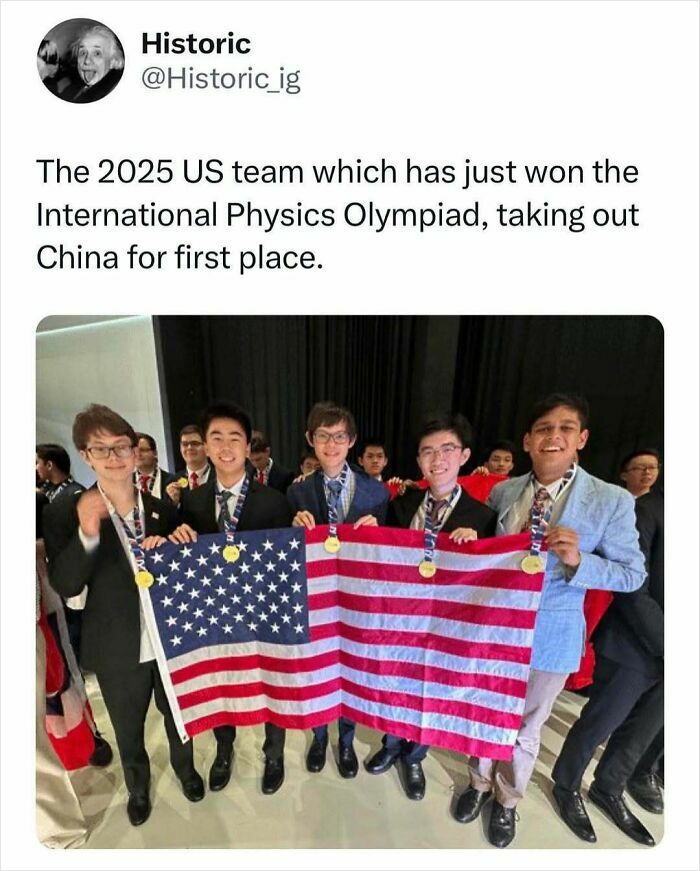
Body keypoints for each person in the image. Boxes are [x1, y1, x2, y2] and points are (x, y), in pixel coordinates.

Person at [452, 392, 645, 848]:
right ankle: (478, 784)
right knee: (485, 713)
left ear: (581, 439)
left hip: (552, 633)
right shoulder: (504, 490)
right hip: (494, 629)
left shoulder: (611, 500)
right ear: (527, 440)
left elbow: (633, 574)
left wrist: (581, 561)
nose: (553, 437)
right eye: (543, 429)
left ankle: (507, 799)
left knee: (526, 726)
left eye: (564, 429)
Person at [43, 404, 204, 827]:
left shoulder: (160, 508)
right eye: (102, 449)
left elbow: (183, 573)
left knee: (177, 717)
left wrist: (181, 543)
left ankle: (186, 771)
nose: (114, 457)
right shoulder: (68, 510)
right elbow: (66, 585)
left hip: (169, 637)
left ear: (136, 453)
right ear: (86, 454)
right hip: (116, 643)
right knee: (128, 727)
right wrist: (88, 534)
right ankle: (137, 787)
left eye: (122, 447)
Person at [364, 414, 496, 800]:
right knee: (397, 684)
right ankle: (391, 746)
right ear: (418, 461)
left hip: (447, 626)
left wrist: (478, 548)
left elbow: (490, 581)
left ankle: (416, 756)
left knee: (430, 692)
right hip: (401, 619)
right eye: (427, 452)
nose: (437, 459)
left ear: (465, 455)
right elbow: (382, 554)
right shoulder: (401, 505)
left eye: (447, 449)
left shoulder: (482, 517)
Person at [168, 402, 293, 795]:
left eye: (234, 438)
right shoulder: (190, 502)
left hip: (263, 612)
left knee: (272, 683)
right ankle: (225, 748)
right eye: (216, 438)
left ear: (247, 445)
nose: (225, 446)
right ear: (204, 445)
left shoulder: (274, 500)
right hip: (213, 613)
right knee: (222, 681)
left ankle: (274, 754)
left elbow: (286, 566)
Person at [551, 480, 663, 846]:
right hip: (635, 641)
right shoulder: (648, 509)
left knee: (642, 732)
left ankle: (609, 788)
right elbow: (633, 585)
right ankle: (567, 785)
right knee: (600, 723)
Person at [287, 401, 389, 778]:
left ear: (352, 441)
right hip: (315, 602)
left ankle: (345, 741)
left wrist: (378, 537)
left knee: (347, 673)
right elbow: (290, 556)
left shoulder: (376, 492)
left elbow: (387, 557)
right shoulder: (297, 493)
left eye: (340, 436)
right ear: (311, 440)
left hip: (356, 601)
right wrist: (295, 530)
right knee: (317, 671)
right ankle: (318, 737)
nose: (332, 444)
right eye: (323, 436)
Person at [64, 24, 125, 103]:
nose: (87, 61)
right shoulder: (72, 89)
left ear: (113, 62)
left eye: (97, 53)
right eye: (82, 53)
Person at [133, 432, 176, 498]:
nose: (138, 454)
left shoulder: (171, 480)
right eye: (134, 451)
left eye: (143, 450)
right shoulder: (125, 482)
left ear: (155, 453)